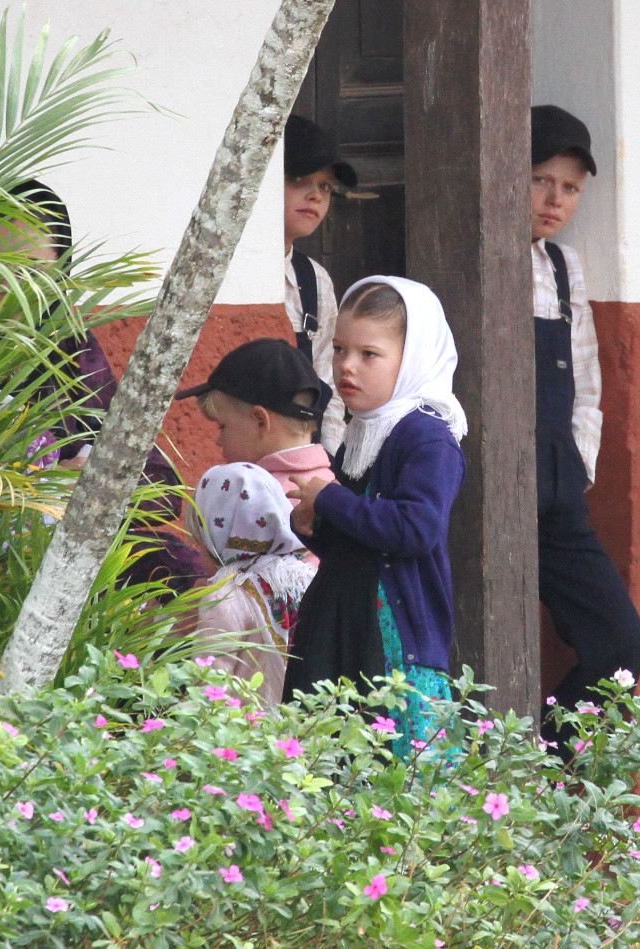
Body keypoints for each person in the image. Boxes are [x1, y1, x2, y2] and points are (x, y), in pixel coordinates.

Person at [0, 179, 206, 596]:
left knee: (176, 566)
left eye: (31, 272)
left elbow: (158, 483)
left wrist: (93, 481)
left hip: (68, 551)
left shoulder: (68, 349)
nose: (9, 288)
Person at [283, 276, 466, 756]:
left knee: (394, 791)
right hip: (344, 629)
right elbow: (360, 538)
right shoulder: (362, 432)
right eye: (340, 349)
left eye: (369, 354)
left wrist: (330, 500)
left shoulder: (426, 438)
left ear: (414, 358)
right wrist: (314, 520)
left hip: (391, 647)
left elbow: (414, 529)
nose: (346, 366)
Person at [528, 105, 640, 750]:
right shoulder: (466, 260)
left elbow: (587, 378)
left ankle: (546, 773)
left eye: (570, 188)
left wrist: (578, 464)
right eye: (541, 179)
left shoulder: (567, 268)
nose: (555, 199)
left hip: (558, 488)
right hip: (481, 485)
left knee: (620, 645)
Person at [190, 462, 316, 706]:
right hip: (305, 735)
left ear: (218, 538)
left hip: (245, 737)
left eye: (199, 541)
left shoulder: (225, 596)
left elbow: (207, 691)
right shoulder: (310, 579)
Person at [175, 338, 335, 506]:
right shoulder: (331, 486)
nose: (218, 441)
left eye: (222, 426)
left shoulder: (260, 499)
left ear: (260, 421)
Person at [284, 114, 354, 453]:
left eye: (324, 186)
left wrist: (328, 457)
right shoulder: (234, 276)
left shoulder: (314, 279)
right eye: (300, 179)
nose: (315, 196)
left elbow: (328, 380)